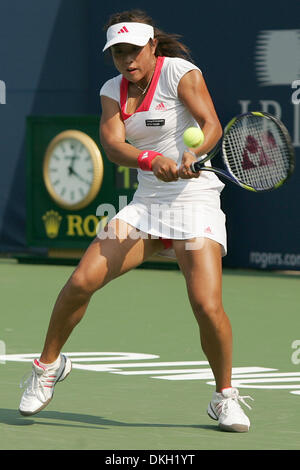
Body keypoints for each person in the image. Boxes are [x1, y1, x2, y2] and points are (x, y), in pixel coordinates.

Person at [19, 9, 253, 432]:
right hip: (146, 204)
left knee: (206, 304)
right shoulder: (112, 89)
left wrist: (190, 155)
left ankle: (225, 397)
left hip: (194, 199)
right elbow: (112, 146)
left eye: (133, 50)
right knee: (81, 280)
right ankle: (47, 366)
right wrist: (150, 158)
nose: (127, 60)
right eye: (118, 52)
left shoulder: (180, 72)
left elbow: (211, 124)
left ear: (151, 46)